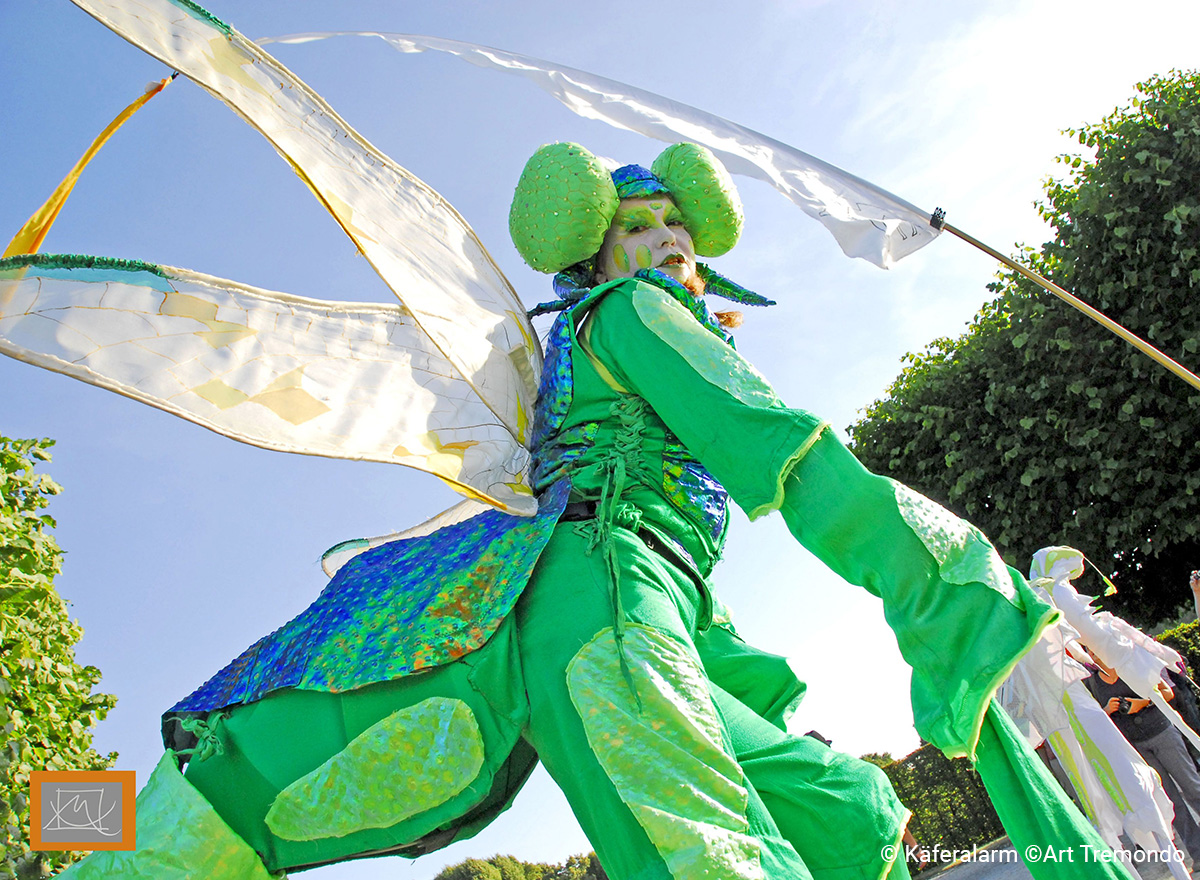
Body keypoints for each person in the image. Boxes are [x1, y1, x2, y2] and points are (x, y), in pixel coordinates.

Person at [61, 144, 1127, 880]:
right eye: (639, 228)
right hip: (598, 598)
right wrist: (942, 585)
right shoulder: (634, 314)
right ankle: (64, 823)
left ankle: (69, 826)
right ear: (595, 259)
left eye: (678, 227)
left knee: (837, 809)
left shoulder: (619, 328)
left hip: (638, 607)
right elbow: (788, 450)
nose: (669, 244)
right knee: (700, 848)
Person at [1086, 651, 1200, 860]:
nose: (1095, 654)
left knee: (1193, 787)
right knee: (1171, 802)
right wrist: (1106, 710)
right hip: (1136, 747)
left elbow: (1167, 693)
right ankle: (1198, 853)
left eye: (1095, 648)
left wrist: (1142, 702)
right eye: (1090, 651)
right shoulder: (1091, 684)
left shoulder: (1129, 666)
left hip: (1162, 733)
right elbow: (1092, 719)